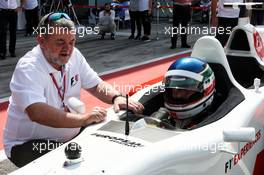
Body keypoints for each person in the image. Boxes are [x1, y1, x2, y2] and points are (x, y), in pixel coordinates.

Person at [4, 12, 144, 167]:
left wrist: (116, 97)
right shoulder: (29, 67)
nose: (67, 49)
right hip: (27, 144)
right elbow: (37, 112)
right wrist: (84, 119)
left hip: (69, 134)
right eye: (60, 42)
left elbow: (96, 85)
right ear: (41, 41)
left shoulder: (74, 55)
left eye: (72, 42)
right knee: (76, 165)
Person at [152, 57, 215, 129]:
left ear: (207, 88)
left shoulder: (214, 122)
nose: (177, 95)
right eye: (173, 88)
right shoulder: (164, 111)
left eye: (186, 89)